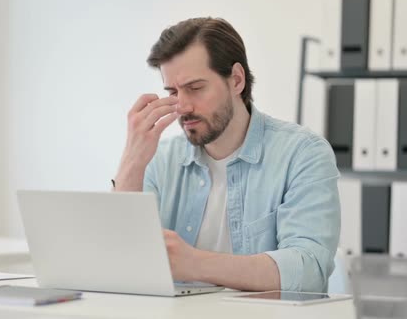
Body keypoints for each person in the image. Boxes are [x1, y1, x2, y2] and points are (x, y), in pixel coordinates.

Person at [113, 17, 340, 292]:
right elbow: (121, 265)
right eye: (172, 92)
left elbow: (308, 271)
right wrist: (131, 162)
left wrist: (195, 263)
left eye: (195, 88)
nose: (182, 106)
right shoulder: (160, 160)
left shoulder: (303, 154)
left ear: (236, 80)